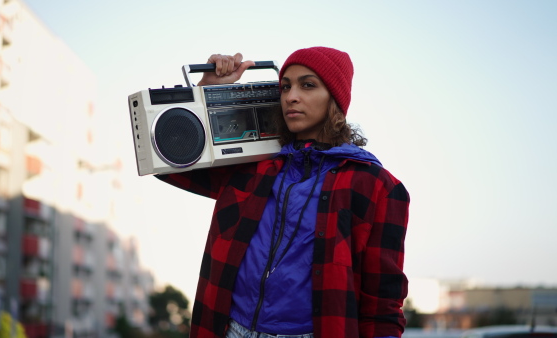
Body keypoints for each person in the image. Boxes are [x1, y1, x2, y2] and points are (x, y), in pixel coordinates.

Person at [156, 47, 409, 338]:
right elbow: (170, 164)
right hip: (229, 329)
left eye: (308, 85)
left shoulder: (377, 186)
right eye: (285, 86)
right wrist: (206, 92)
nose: (291, 96)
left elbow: (383, 304)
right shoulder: (253, 167)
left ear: (336, 99)